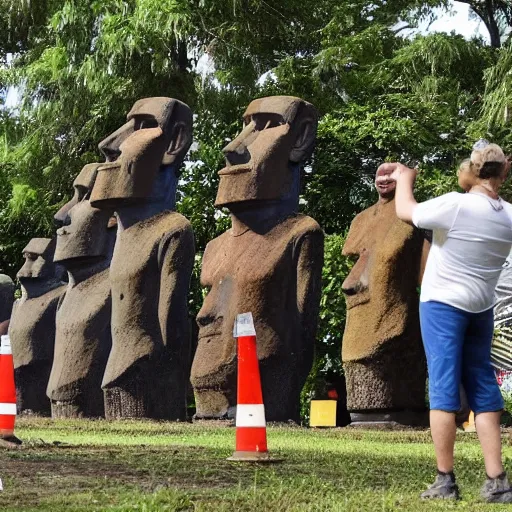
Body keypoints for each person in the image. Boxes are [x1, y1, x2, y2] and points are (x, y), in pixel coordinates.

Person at [389, 141, 512, 503]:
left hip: (443, 306)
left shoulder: (456, 206)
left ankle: (445, 480)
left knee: (442, 388)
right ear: (503, 172)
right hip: (480, 309)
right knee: (483, 388)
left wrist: (404, 178)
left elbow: (405, 211)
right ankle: (498, 481)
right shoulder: (508, 215)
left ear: (473, 170)